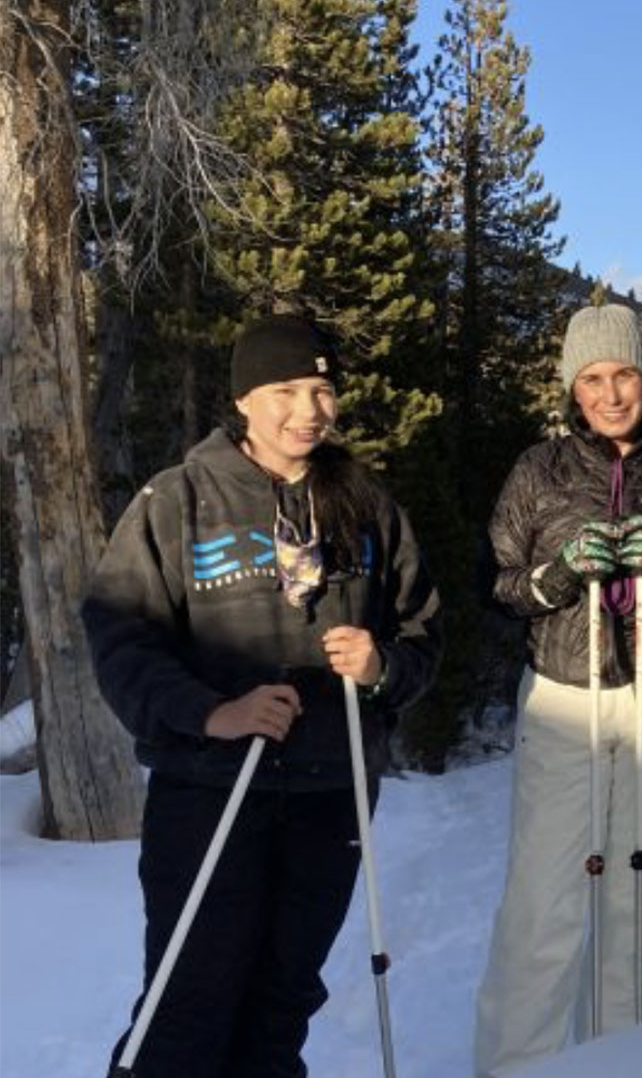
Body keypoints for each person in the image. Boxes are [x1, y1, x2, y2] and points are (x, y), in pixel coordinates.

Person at [84, 313, 443, 1076]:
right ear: (245, 398)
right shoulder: (175, 501)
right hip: (211, 789)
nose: (308, 409)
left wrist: (381, 666)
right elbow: (120, 637)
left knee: (281, 1005)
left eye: (321, 389)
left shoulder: (367, 507)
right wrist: (211, 712)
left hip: (331, 791)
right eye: (286, 389)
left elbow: (421, 633)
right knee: (189, 999)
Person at [473, 303, 642, 1075]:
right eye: (591, 378)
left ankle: (616, 1061)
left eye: (623, 373)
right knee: (542, 907)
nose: (611, 393)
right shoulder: (541, 469)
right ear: (572, 388)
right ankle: (514, 1065)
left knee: (641, 900)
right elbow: (494, 588)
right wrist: (555, 576)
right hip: (565, 694)